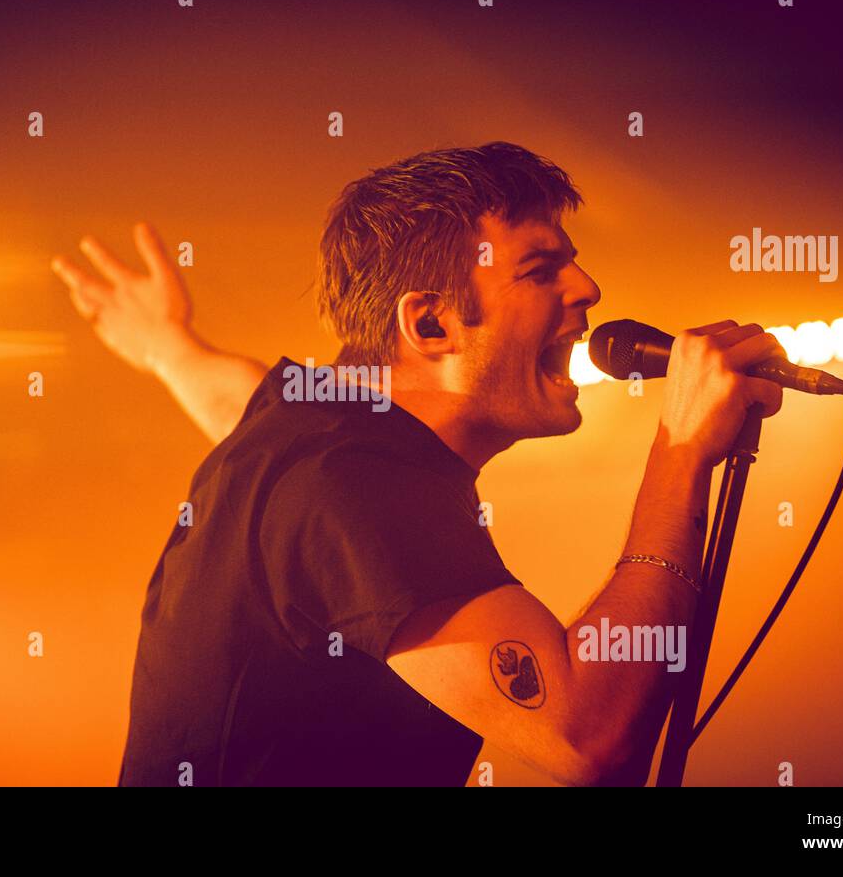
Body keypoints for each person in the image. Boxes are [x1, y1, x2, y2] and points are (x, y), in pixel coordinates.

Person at [51, 142, 786, 786]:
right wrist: (682, 450)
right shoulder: (355, 485)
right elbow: (586, 738)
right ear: (430, 322)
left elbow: (225, 393)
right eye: (541, 270)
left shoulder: (306, 428)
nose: (587, 288)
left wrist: (164, 346)